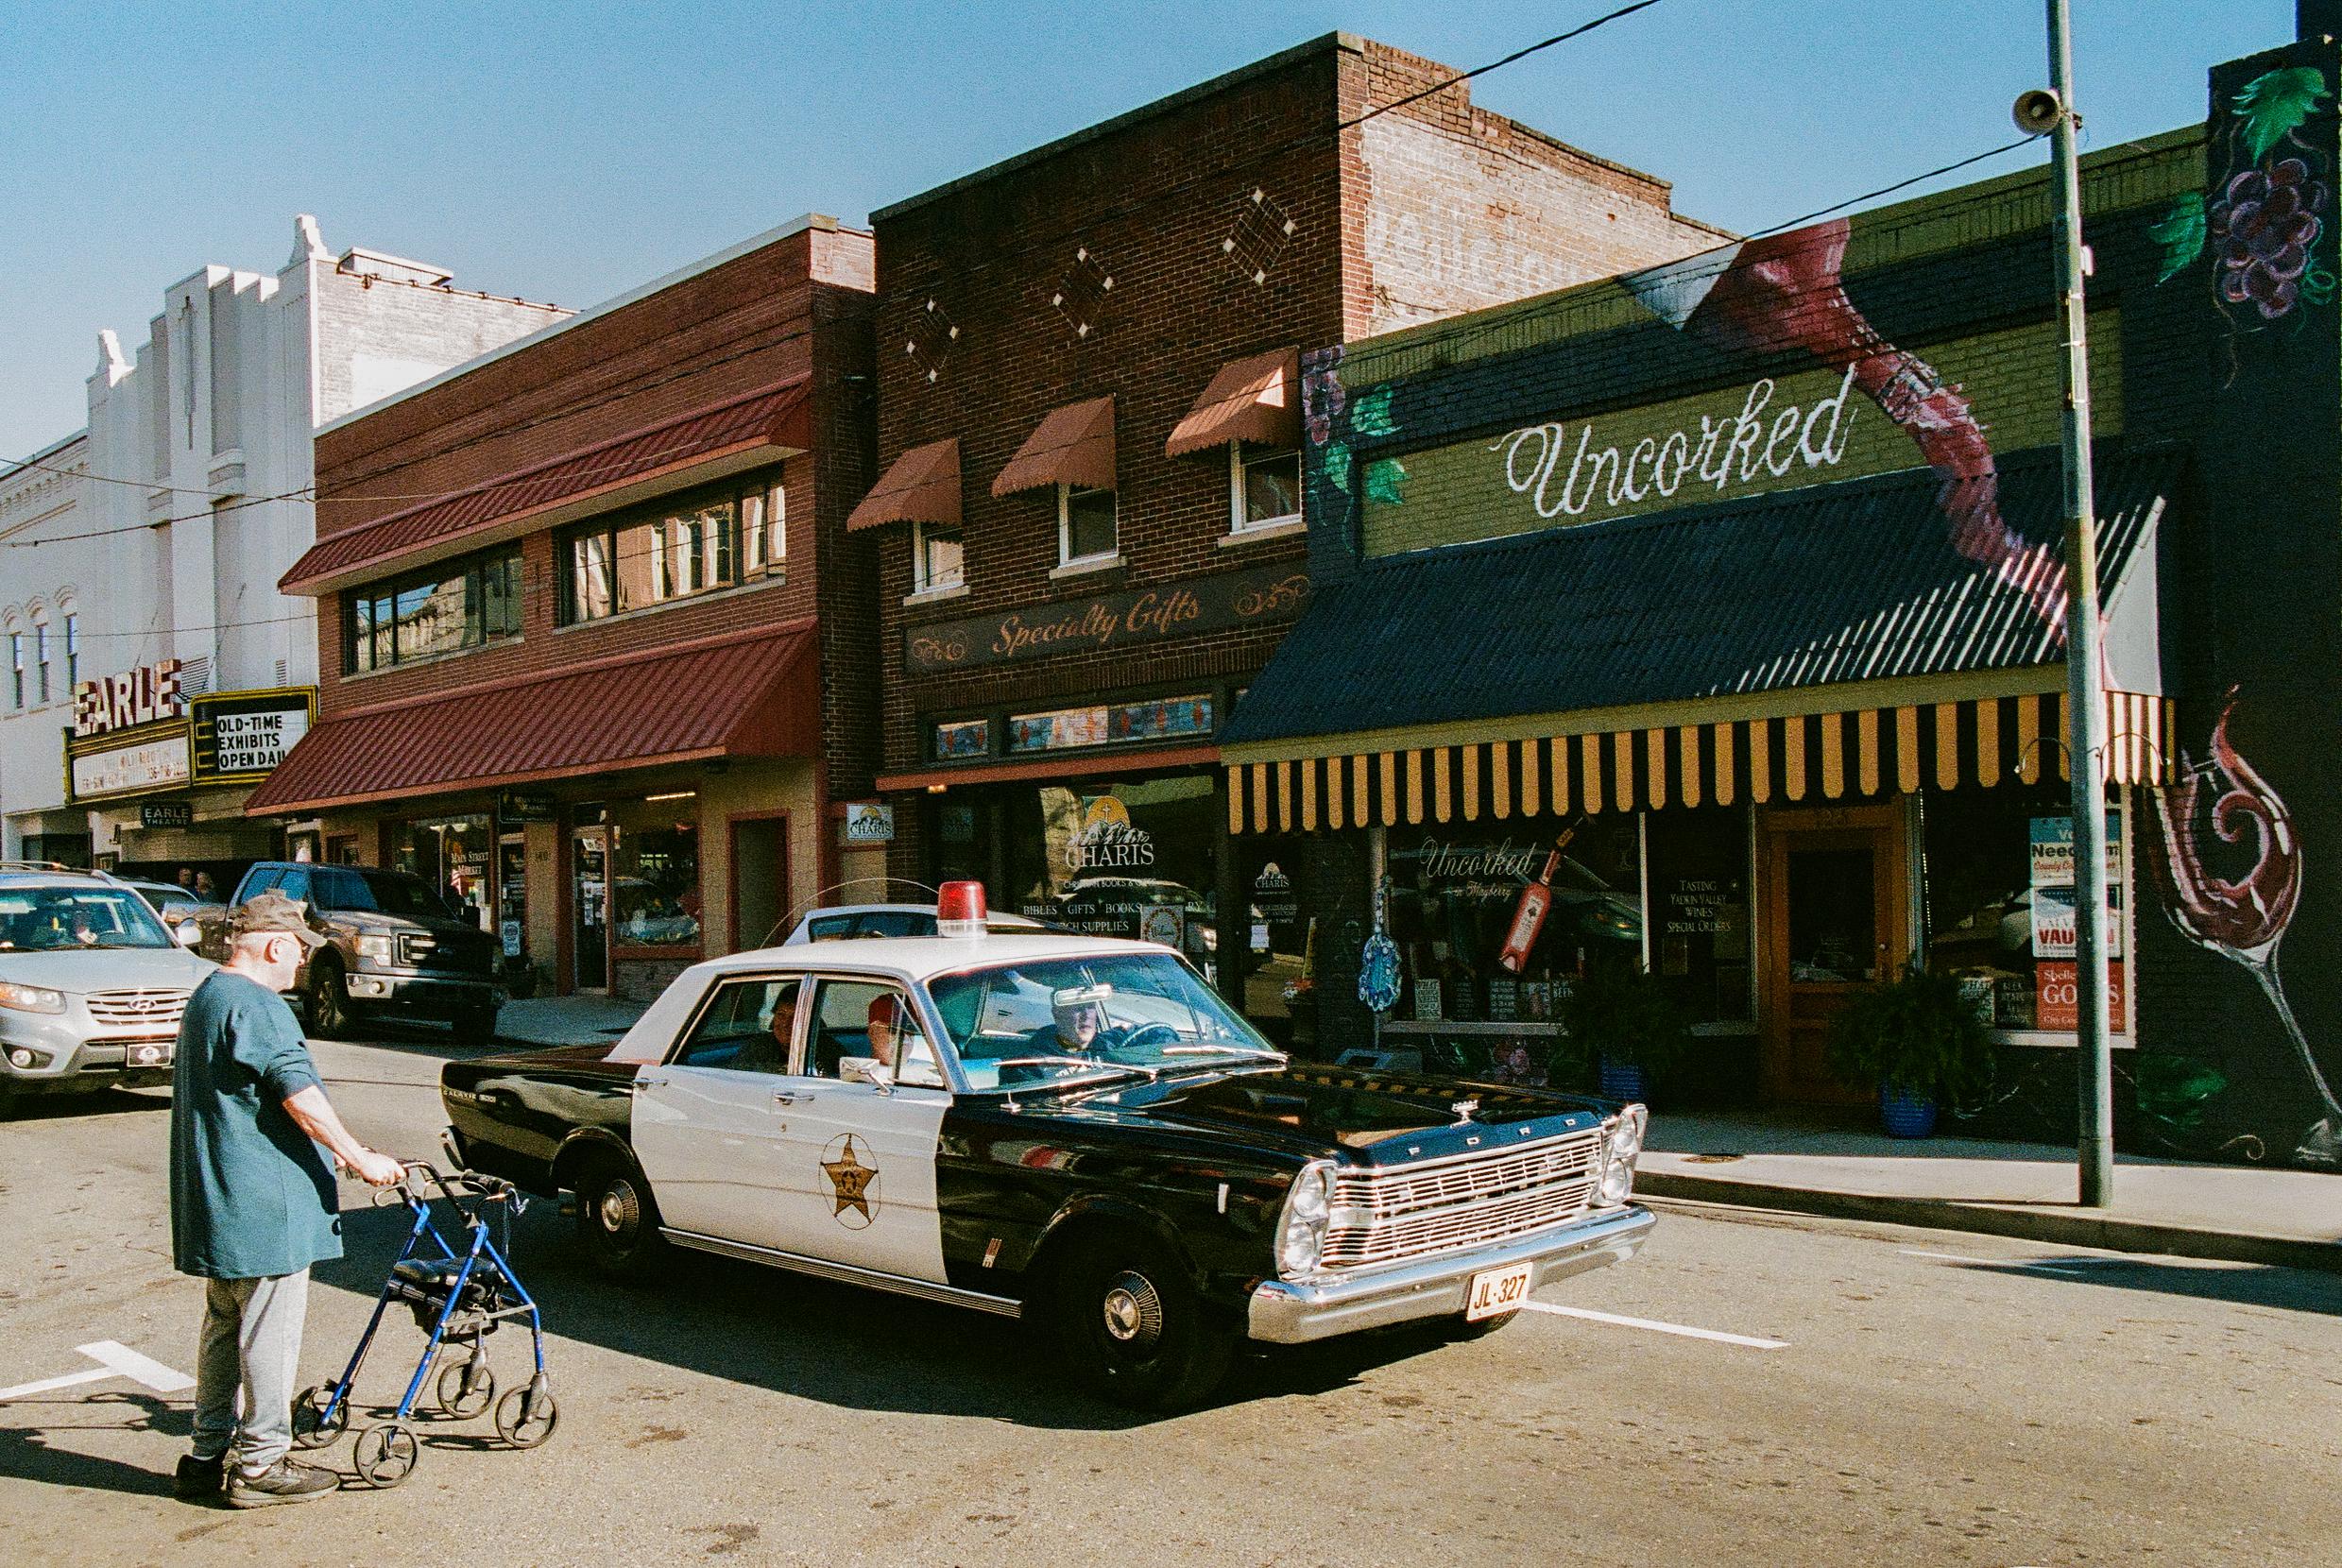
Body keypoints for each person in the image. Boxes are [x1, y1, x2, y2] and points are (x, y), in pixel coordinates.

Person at [169, 890, 403, 1507]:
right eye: (300, 949)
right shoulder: (260, 1006)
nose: (301, 962)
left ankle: (206, 1452)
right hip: (264, 1208)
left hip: (220, 1204)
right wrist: (362, 1157)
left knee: (224, 1325)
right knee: (267, 1334)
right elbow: (300, 1097)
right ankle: (262, 1465)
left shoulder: (208, 996)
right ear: (275, 943)